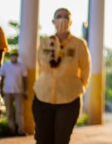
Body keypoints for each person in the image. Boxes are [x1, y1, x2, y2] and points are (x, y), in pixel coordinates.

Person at [33, 8, 91, 144]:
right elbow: (39, 66)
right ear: (53, 21)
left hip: (69, 99)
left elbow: (86, 70)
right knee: (42, 139)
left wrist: (79, 88)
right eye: (59, 16)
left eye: (66, 16)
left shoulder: (79, 44)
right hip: (43, 97)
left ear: (71, 21)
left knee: (61, 140)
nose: (62, 19)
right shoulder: (45, 42)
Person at [0, 49, 27, 135]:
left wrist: (26, 91)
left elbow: (25, 79)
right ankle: (11, 130)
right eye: (12, 55)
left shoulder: (22, 66)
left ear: (17, 56)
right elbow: (2, 78)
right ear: (10, 55)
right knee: (9, 112)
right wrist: (1, 89)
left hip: (19, 91)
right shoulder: (5, 65)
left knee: (20, 112)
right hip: (7, 91)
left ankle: (21, 130)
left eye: (15, 55)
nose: (14, 57)